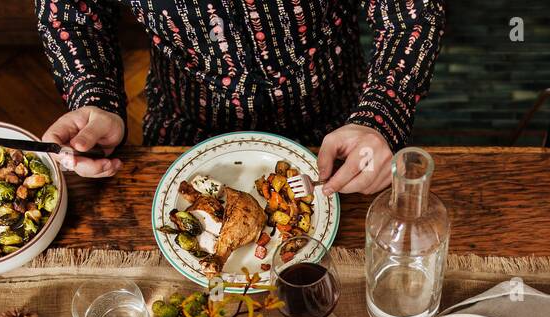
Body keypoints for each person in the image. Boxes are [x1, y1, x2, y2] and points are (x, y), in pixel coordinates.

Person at [34, 0, 445, 193]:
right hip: (185, 131)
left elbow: (414, 14)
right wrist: (96, 97)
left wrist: (381, 114)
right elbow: (71, 12)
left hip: (339, 133)